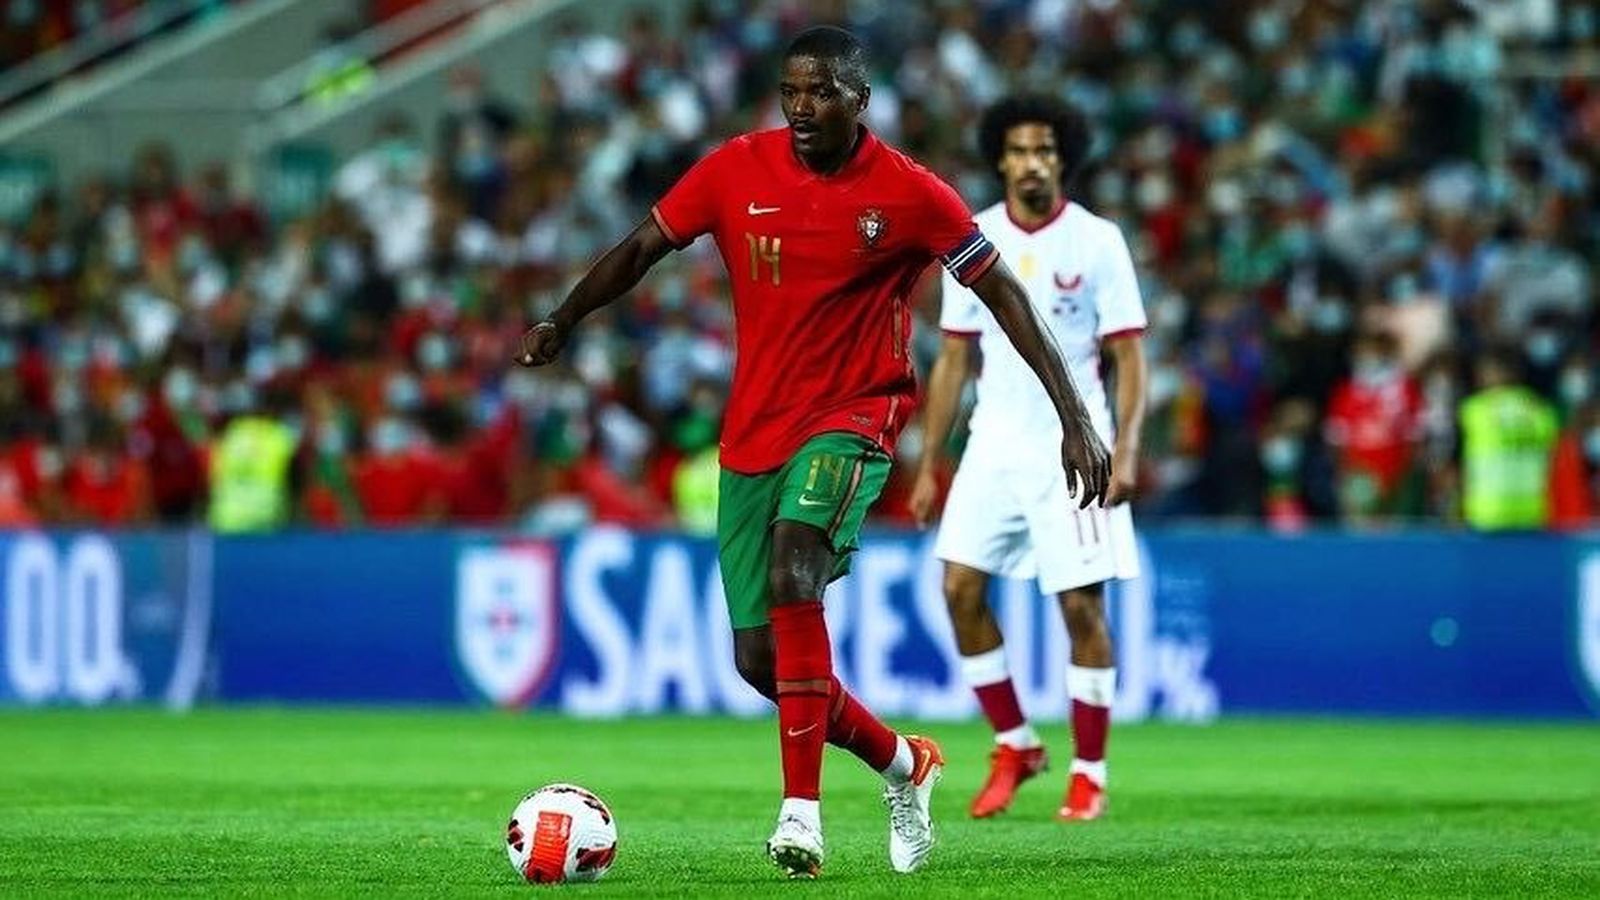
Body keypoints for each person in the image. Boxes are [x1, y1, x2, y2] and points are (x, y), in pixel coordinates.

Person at [517, 28, 1110, 879]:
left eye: (822, 92)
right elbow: (644, 246)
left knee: (798, 562)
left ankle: (801, 815)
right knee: (761, 660)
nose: (803, 108)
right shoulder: (734, 169)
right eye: (792, 91)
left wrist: (1075, 416)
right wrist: (563, 319)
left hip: (855, 413)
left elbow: (1003, 296)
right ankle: (906, 764)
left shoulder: (911, 194)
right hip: (755, 429)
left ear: (859, 100)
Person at [910, 94, 1147, 823]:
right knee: (957, 590)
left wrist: (1126, 448)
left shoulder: (1097, 241)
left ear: (1062, 158)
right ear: (1000, 160)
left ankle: (1090, 773)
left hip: (1073, 442)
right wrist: (928, 462)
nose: (1032, 162)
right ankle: (1015, 743)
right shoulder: (971, 234)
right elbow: (954, 358)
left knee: (1081, 606)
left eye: (1045, 149)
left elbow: (1128, 355)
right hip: (994, 440)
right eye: (1019, 150)